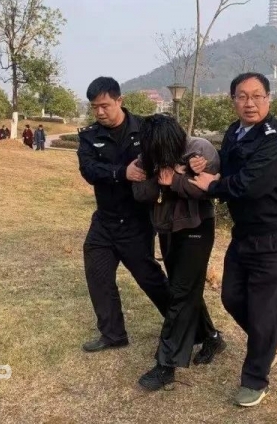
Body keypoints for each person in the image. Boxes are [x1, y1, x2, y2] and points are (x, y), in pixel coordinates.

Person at [190, 72, 277, 408]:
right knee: (232, 297)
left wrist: (211, 186)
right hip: (246, 233)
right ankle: (273, 337)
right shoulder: (235, 131)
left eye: (257, 96)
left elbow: (248, 185)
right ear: (233, 100)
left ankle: (255, 379)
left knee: (266, 310)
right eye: (242, 96)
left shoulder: (276, 141)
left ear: (269, 99)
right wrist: (204, 165)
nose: (249, 103)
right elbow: (227, 166)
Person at [131, 115, 225, 391]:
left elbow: (208, 192)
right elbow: (140, 193)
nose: (156, 154)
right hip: (166, 229)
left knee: (182, 293)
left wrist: (176, 179)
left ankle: (166, 364)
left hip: (197, 229)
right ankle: (211, 337)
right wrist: (159, 181)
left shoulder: (201, 149)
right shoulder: (148, 154)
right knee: (183, 289)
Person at [77, 77, 170, 353]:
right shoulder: (90, 136)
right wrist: (121, 173)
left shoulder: (146, 129)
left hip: (137, 221)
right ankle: (113, 333)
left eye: (105, 105)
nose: (100, 112)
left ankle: (189, 326)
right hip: (104, 220)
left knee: (149, 278)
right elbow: (89, 171)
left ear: (120, 101)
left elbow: (168, 156)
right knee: (98, 275)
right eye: (95, 107)